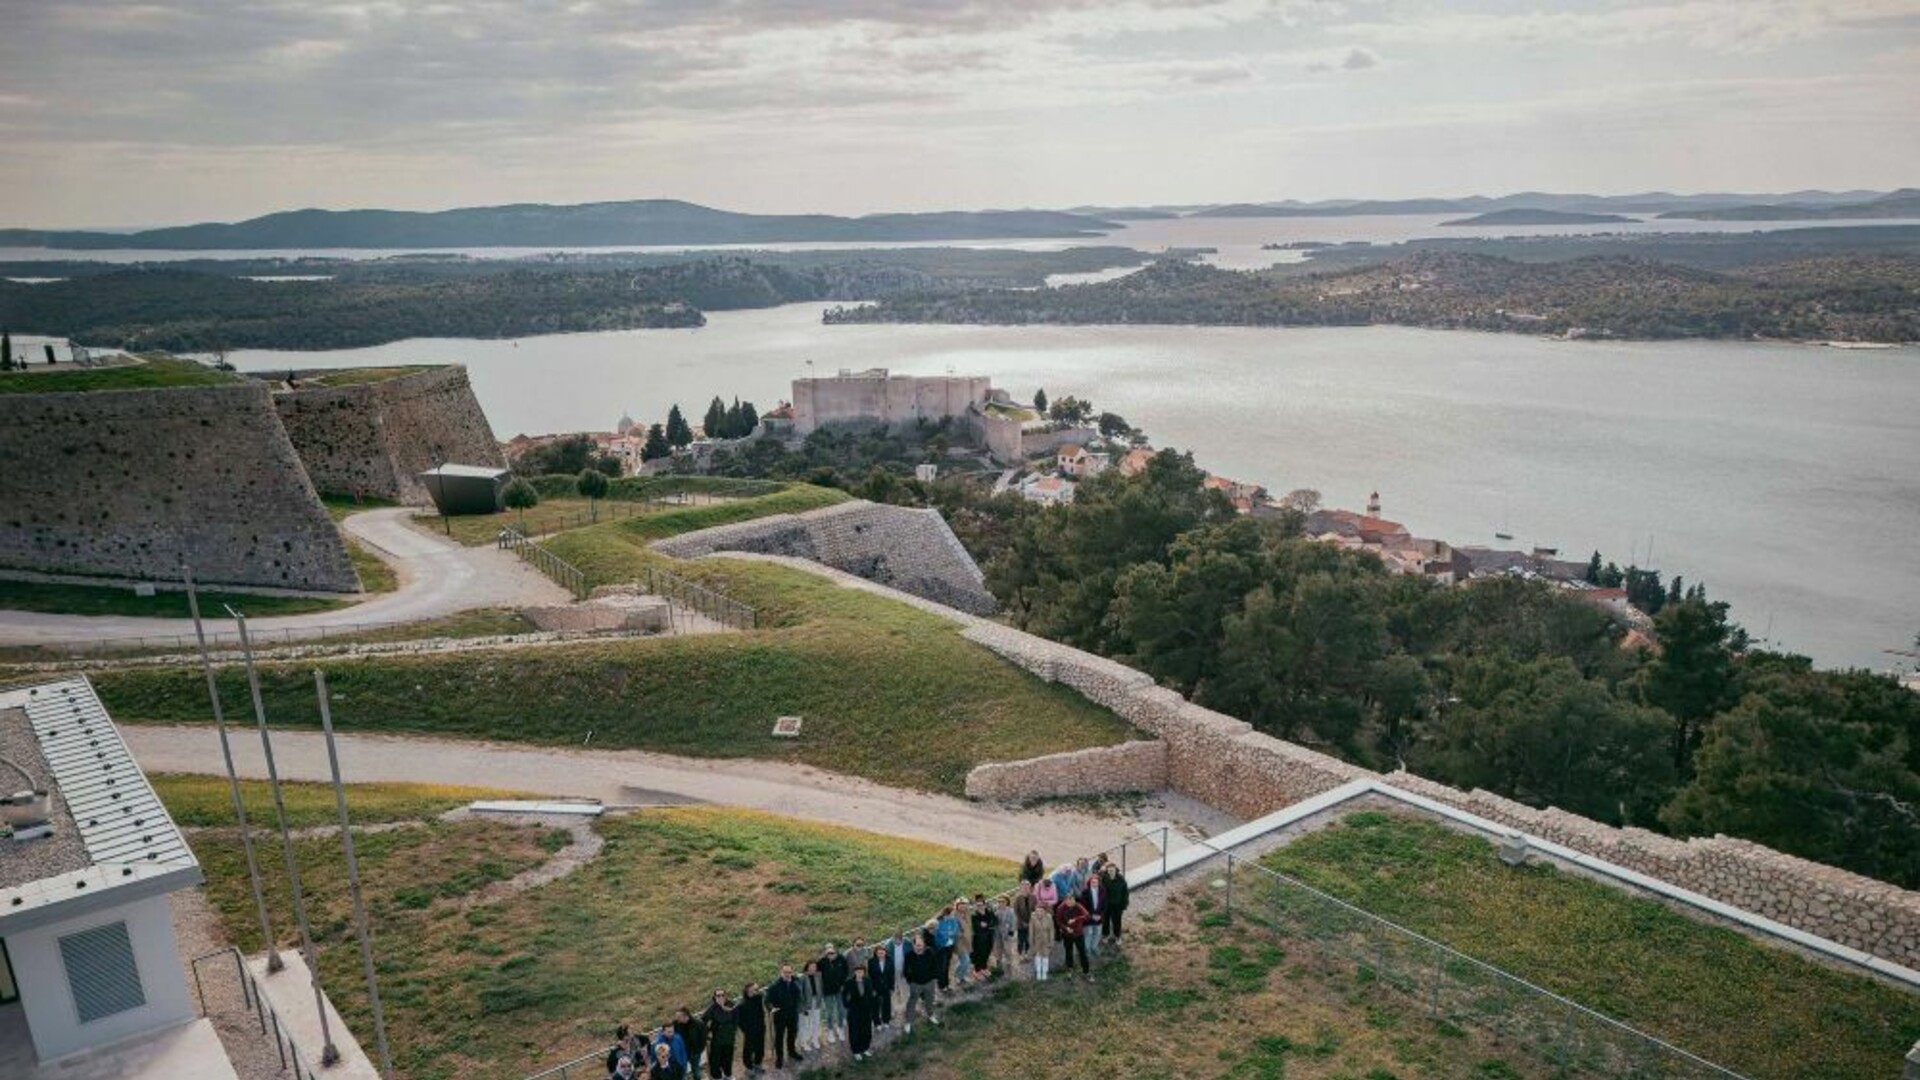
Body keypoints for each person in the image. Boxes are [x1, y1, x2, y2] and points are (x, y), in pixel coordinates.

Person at [902, 932, 942, 1034]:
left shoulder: (930, 952)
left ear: (924, 944)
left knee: (929, 999)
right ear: (913, 945)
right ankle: (908, 1021)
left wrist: (934, 977)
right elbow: (906, 970)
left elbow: (935, 965)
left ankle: (930, 1015)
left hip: (929, 982)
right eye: (917, 945)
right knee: (912, 1002)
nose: (919, 947)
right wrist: (910, 980)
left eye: (921, 945)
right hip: (915, 984)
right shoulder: (909, 956)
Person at [765, 964, 804, 1069]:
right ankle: (780, 1058)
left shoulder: (795, 982)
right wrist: (771, 1008)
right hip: (780, 1015)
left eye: (789, 972)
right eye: (785, 972)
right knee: (779, 1037)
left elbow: (798, 995)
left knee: (792, 1034)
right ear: (781, 973)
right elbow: (767, 1000)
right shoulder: (774, 985)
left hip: (792, 1014)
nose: (787, 974)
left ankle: (792, 1052)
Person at [842, 963, 879, 1061]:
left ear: (864, 972)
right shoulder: (849, 982)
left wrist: (872, 1004)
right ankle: (856, 1051)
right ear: (855, 972)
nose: (860, 973)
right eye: (858, 971)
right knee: (855, 1031)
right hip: (854, 1011)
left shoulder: (868, 981)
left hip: (866, 1010)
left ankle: (865, 1048)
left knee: (866, 1030)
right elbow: (844, 995)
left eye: (861, 972)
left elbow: (871, 993)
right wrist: (847, 1005)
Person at [816, 944, 849, 1043]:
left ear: (835, 951)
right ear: (825, 952)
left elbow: (846, 971)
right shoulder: (822, 962)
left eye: (832, 952)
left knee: (841, 1009)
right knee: (829, 1011)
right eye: (828, 952)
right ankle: (830, 1030)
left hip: (839, 989)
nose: (830, 954)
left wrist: (843, 983)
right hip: (827, 991)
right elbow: (816, 971)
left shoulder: (841, 959)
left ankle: (840, 1027)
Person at [701, 990, 737, 1080]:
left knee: (728, 1058)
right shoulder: (712, 1009)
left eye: (722, 995)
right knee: (715, 1060)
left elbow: (736, 1016)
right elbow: (703, 1022)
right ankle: (717, 1077)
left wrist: (733, 1029)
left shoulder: (731, 1004)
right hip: (717, 1039)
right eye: (718, 995)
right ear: (714, 997)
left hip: (729, 1038)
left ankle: (728, 1075)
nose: (720, 997)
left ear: (725, 996)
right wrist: (708, 1034)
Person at [1055, 892, 1092, 978]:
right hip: (1067, 934)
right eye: (1068, 901)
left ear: (1074, 900)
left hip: (1078, 934)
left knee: (1082, 952)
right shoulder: (1060, 908)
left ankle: (1086, 971)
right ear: (1065, 901)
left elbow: (1087, 916)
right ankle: (1070, 969)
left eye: (1072, 901)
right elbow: (1058, 921)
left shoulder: (1078, 906)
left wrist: (1076, 919)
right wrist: (1066, 928)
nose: (1070, 903)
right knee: (1068, 952)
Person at [868, 935, 897, 1029]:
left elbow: (892, 975)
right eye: (879, 953)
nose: (881, 954)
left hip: (886, 987)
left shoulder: (890, 961)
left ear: (885, 952)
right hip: (875, 987)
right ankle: (877, 1022)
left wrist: (892, 987)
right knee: (875, 1005)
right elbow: (870, 976)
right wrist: (872, 989)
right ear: (876, 953)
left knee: (886, 1004)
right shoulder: (871, 962)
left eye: (882, 952)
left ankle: (886, 1020)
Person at [738, 983, 767, 1076]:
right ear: (747, 991)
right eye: (754, 990)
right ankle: (749, 1068)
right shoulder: (742, 1005)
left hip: (760, 1028)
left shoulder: (758, 998)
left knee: (760, 1048)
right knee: (748, 1050)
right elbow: (740, 1021)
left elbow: (764, 996)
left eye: (756, 989)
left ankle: (758, 1064)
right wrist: (746, 1030)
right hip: (749, 1032)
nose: (756, 991)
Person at [933, 906, 961, 992]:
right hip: (941, 948)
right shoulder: (938, 922)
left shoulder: (952, 920)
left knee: (947, 965)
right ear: (947, 914)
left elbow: (956, 928)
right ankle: (941, 985)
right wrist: (947, 935)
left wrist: (949, 934)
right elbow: (937, 935)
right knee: (942, 967)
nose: (954, 915)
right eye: (952, 914)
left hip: (949, 946)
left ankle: (946, 984)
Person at [1102, 862, 1130, 946]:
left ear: (1115, 870)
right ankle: (1106, 935)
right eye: (1109, 870)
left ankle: (1117, 936)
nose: (1111, 872)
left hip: (1117, 905)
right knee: (1105, 921)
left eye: (1112, 870)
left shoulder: (1121, 879)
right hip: (1106, 905)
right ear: (1107, 871)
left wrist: (1124, 904)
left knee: (1117, 921)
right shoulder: (1104, 878)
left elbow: (1125, 893)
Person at [969, 893, 996, 979]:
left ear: (984, 904)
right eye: (978, 905)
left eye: (982, 904)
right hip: (979, 938)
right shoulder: (974, 915)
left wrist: (986, 925)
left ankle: (984, 968)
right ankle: (977, 971)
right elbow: (976, 927)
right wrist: (987, 925)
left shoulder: (989, 912)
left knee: (987, 952)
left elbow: (995, 922)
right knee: (979, 954)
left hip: (989, 936)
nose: (980, 906)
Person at [674, 1007, 707, 1077]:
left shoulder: (698, 1024)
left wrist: (699, 1050)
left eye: (679, 1016)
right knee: (682, 1071)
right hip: (682, 1053)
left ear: (685, 1016)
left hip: (694, 1053)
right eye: (676, 1016)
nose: (677, 1018)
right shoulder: (675, 1024)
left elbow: (703, 1038)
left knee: (696, 1070)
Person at [1081, 870, 1107, 957]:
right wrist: (1091, 915)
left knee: (1097, 933)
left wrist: (1100, 915)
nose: (1094, 883)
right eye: (1092, 882)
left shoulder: (1102, 891)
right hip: (1089, 917)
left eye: (1096, 882)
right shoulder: (1085, 892)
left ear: (1099, 883)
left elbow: (1105, 904)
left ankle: (1094, 947)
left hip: (1099, 917)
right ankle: (1087, 949)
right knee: (1088, 934)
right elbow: (1083, 907)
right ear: (1090, 882)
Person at [798, 960, 823, 1051]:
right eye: (811, 966)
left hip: (816, 1001)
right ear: (807, 967)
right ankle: (804, 1042)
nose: (813, 968)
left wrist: (820, 1000)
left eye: (815, 966)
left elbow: (821, 988)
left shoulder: (818, 976)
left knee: (816, 1021)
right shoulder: (802, 977)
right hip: (805, 1003)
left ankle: (814, 1040)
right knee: (805, 1023)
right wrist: (803, 1005)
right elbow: (800, 993)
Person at [1029, 901, 1055, 982]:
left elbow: (1051, 931)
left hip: (1046, 940)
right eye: (1037, 911)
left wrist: (1051, 941)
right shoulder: (1033, 918)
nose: (1039, 913)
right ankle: (1038, 972)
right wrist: (1031, 943)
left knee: (1045, 957)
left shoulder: (1049, 918)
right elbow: (1031, 931)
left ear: (1045, 911)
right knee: (1037, 957)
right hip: (1037, 941)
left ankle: (1044, 972)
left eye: (1041, 911)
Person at [993, 892, 1017, 975]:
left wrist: (1012, 930)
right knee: (998, 948)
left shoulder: (1011, 911)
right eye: (999, 901)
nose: (1001, 903)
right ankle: (998, 963)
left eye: (1003, 901)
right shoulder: (996, 911)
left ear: (1007, 902)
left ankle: (1009, 963)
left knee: (1008, 949)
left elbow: (1014, 921)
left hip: (1007, 933)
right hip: (998, 932)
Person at [1012, 880, 1036, 959]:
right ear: (1021, 888)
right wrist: (1022, 922)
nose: (1025, 888)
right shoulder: (1017, 898)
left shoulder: (1033, 897)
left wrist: (1031, 921)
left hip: (1030, 921)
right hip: (1021, 922)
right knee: (1021, 939)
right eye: (1024, 887)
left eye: (1027, 887)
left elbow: (1035, 910)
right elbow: (1016, 912)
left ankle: (1026, 952)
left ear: (1030, 888)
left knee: (1028, 939)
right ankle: (1020, 953)